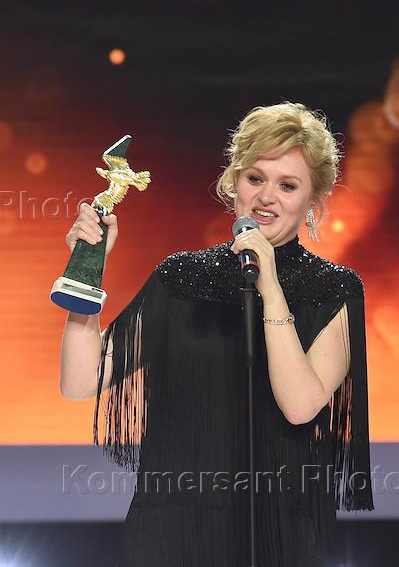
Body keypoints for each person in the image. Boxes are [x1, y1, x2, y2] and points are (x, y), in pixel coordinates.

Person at [60, 103, 373, 567]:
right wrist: (86, 272)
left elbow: (300, 404)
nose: (266, 197)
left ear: (313, 201)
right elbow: (81, 381)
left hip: (279, 531)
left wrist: (270, 287)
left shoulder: (335, 290)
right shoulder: (180, 278)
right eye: (255, 178)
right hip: (174, 531)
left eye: (287, 185)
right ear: (233, 182)